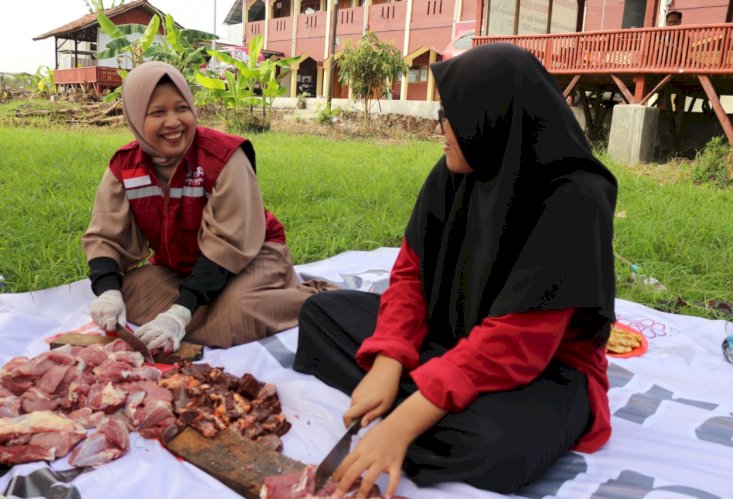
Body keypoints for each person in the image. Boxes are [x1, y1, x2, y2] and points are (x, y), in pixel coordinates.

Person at [293, 43, 618, 497]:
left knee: (497, 445)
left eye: (453, 118)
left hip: (544, 369)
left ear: (496, 118)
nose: (442, 130)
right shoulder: (454, 171)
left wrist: (403, 423)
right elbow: (410, 275)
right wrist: (389, 358)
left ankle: (418, 408)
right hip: (452, 333)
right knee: (321, 314)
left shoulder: (575, 197)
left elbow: (520, 341)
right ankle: (424, 397)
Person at [83, 61, 331, 354]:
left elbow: (229, 243)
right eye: (158, 113)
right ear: (136, 117)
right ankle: (206, 304)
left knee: (236, 318)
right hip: (181, 269)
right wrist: (108, 292)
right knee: (128, 294)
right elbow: (104, 236)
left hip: (250, 256)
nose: (173, 122)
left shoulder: (224, 156)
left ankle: (313, 298)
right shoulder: (125, 166)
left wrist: (179, 313)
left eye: (181, 108)